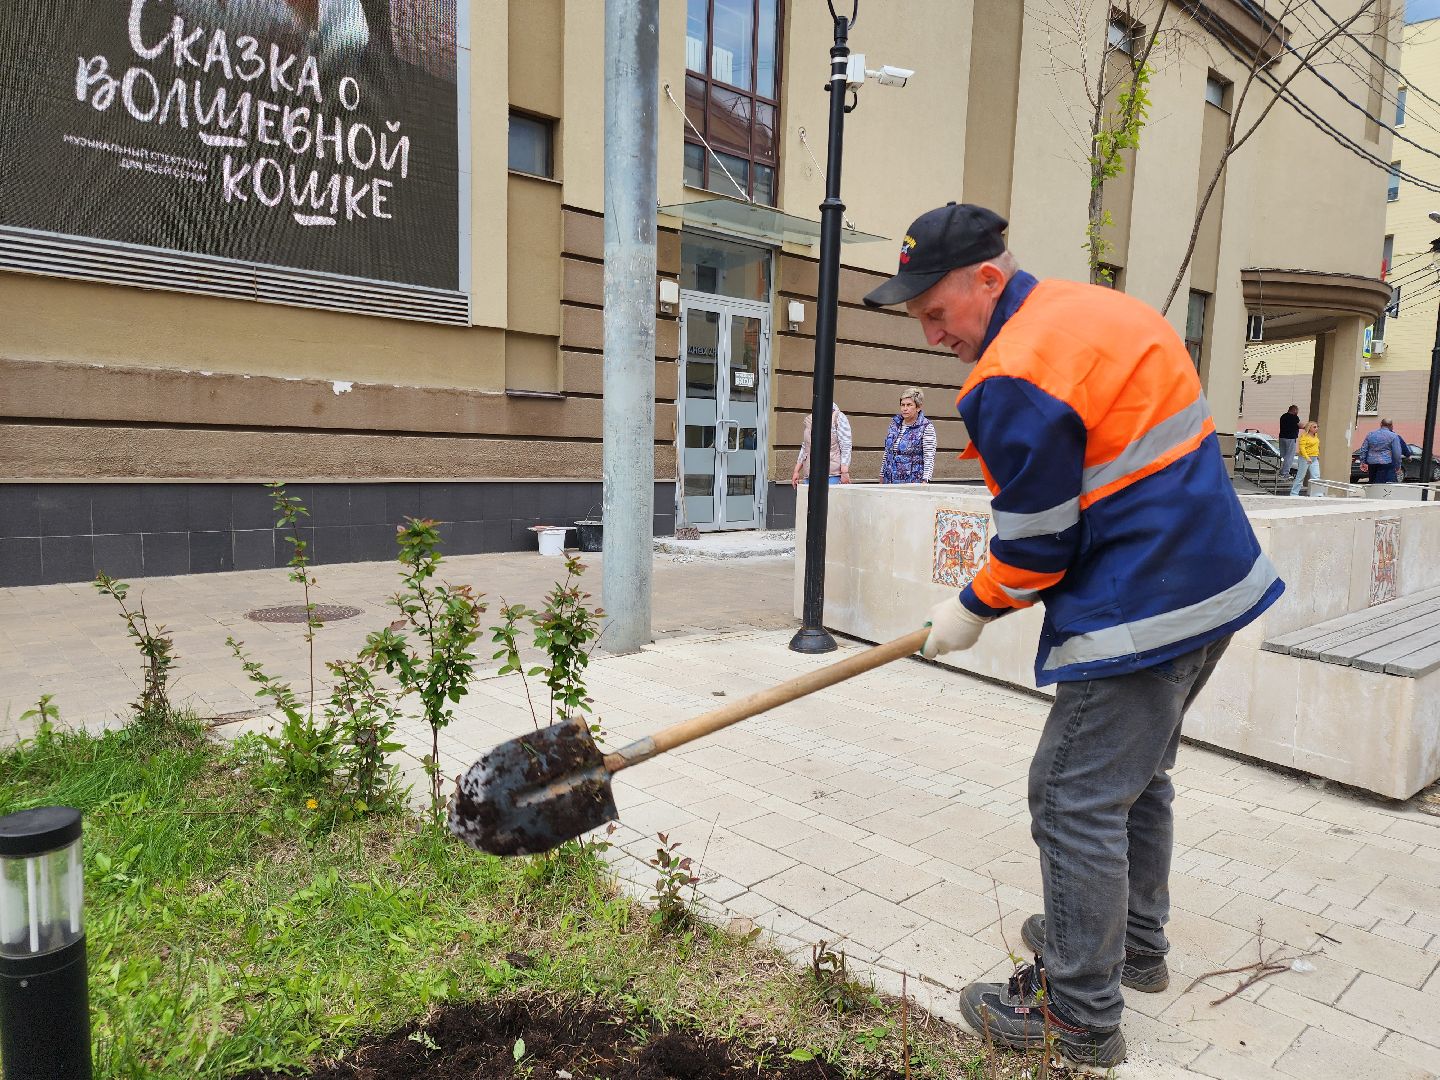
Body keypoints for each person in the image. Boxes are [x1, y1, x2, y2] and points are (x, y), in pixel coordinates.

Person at [862, 202, 1283, 1070]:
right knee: (1137, 780)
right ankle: (1131, 945)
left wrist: (968, 610)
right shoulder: (1099, 311)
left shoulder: (1013, 374)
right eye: (919, 320)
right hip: (1213, 582)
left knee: (1070, 796)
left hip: (1141, 609)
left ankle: (1080, 1013)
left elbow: (1036, 548)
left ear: (988, 278)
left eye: (936, 312)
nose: (933, 336)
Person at [881, 388, 938, 483]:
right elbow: (887, 452)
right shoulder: (895, 424)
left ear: (918, 407)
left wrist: (925, 480)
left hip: (912, 482)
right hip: (889, 482)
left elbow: (929, 456)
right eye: (902, 405)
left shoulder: (926, 427)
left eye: (909, 405)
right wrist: (882, 475)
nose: (905, 408)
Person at [791, 404, 852, 487]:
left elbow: (846, 445)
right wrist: (796, 471)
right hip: (810, 475)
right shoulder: (811, 418)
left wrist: (844, 472)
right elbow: (805, 446)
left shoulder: (838, 417)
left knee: (829, 496)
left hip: (831, 476)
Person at [1359, 418, 1408, 485]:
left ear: (1381, 424)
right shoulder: (1393, 436)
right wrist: (1397, 465)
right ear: (1391, 426)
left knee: (1373, 484)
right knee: (1385, 486)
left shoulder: (1370, 434)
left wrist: (1363, 462)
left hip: (1372, 464)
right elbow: (1397, 453)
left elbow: (1364, 449)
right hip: (1386, 464)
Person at [1290, 421, 1321, 496]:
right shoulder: (1304, 436)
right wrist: (1307, 458)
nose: (1316, 428)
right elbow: (1302, 448)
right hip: (1305, 458)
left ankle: (1317, 493)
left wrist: (1317, 455)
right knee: (1300, 476)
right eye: (1314, 427)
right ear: (1309, 428)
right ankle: (1294, 493)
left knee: (1316, 476)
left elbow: (1316, 446)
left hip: (1314, 458)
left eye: (1317, 427)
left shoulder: (1315, 436)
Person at [1278, 405, 1300, 480]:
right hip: (1290, 438)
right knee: (1289, 456)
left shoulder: (1283, 416)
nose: (1297, 412)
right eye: (1297, 410)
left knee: (1283, 456)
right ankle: (1285, 473)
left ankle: (1281, 471)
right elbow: (1299, 425)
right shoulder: (1294, 417)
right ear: (1294, 410)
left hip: (1282, 437)